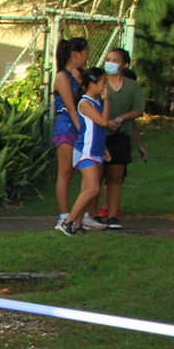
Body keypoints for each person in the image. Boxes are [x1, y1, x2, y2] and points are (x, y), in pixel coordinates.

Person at [91, 48, 148, 230]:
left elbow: (138, 110)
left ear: (124, 64)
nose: (110, 63)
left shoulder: (132, 87)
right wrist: (105, 122)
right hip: (99, 134)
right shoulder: (99, 83)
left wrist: (122, 118)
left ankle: (113, 215)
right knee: (96, 175)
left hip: (120, 135)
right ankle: (91, 214)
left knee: (115, 176)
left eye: (115, 60)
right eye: (108, 59)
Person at [62, 67, 112, 235]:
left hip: (95, 151)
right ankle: (67, 222)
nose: (105, 86)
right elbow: (103, 122)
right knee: (93, 189)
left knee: (86, 191)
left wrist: (104, 149)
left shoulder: (96, 102)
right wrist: (108, 100)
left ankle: (77, 224)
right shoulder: (85, 103)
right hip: (86, 152)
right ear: (92, 84)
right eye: (103, 83)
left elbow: (98, 129)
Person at [50, 38, 90, 228]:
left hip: (80, 125)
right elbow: (71, 107)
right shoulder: (62, 77)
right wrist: (83, 131)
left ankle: (81, 215)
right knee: (65, 171)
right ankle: (64, 215)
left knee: (87, 170)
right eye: (86, 52)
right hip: (67, 126)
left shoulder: (80, 76)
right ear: (76, 54)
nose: (87, 57)